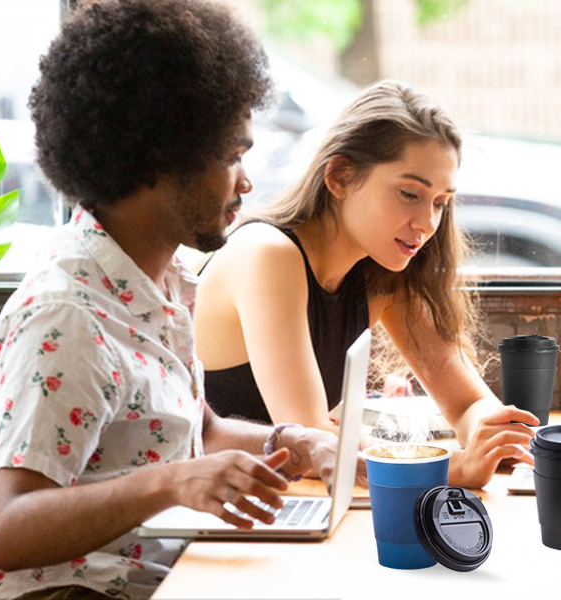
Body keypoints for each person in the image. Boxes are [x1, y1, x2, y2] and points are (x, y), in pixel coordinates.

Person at [0, 2, 340, 598]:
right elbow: (12, 528)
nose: (247, 182)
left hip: (151, 574)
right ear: (157, 156)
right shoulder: (68, 316)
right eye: (232, 157)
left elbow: (194, 432)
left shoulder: (163, 282)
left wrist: (291, 442)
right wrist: (171, 483)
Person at [194, 81, 538, 489]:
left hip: (292, 501)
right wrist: (453, 468)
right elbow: (312, 444)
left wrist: (488, 432)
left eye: (441, 202)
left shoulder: (386, 273)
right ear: (339, 177)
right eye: (410, 193)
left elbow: (467, 403)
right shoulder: (268, 254)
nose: (428, 223)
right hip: (215, 511)